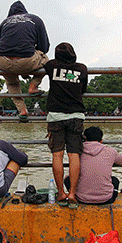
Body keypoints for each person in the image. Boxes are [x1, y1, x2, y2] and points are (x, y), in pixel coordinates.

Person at [44, 42, 88, 208]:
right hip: (76, 116)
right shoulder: (82, 69)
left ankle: (61, 192)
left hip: (55, 116)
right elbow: (83, 89)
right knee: (74, 155)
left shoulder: (51, 65)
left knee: (57, 155)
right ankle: (73, 193)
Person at [0, 1, 50, 121]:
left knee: (12, 83)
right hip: (27, 60)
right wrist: (28, 67)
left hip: (3, 62)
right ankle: (33, 86)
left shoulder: (4, 22)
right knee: (46, 60)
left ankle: (22, 110)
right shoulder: (35, 19)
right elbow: (44, 47)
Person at [64, 126, 122, 205]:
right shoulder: (110, 151)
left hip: (81, 198)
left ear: (85, 139)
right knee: (115, 180)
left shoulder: (77, 152)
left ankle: (73, 195)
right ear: (101, 140)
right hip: (106, 199)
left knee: (67, 179)